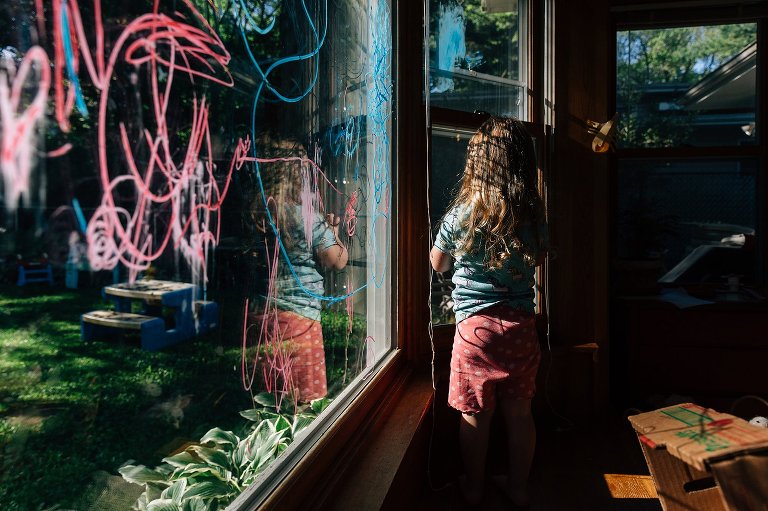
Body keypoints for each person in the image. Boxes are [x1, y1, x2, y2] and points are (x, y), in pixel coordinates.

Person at [430, 116, 548, 508]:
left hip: (475, 333)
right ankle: (518, 488)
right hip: (521, 329)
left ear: (476, 164)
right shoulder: (533, 215)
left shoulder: (462, 213)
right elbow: (541, 254)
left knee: (474, 417)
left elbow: (439, 263)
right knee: (520, 415)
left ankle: (474, 487)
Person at [249, 136, 348, 404]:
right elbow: (335, 260)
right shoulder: (305, 216)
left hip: (263, 314)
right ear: (298, 175)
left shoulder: (259, 214)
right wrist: (334, 233)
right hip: (300, 318)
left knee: (272, 397)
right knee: (305, 402)